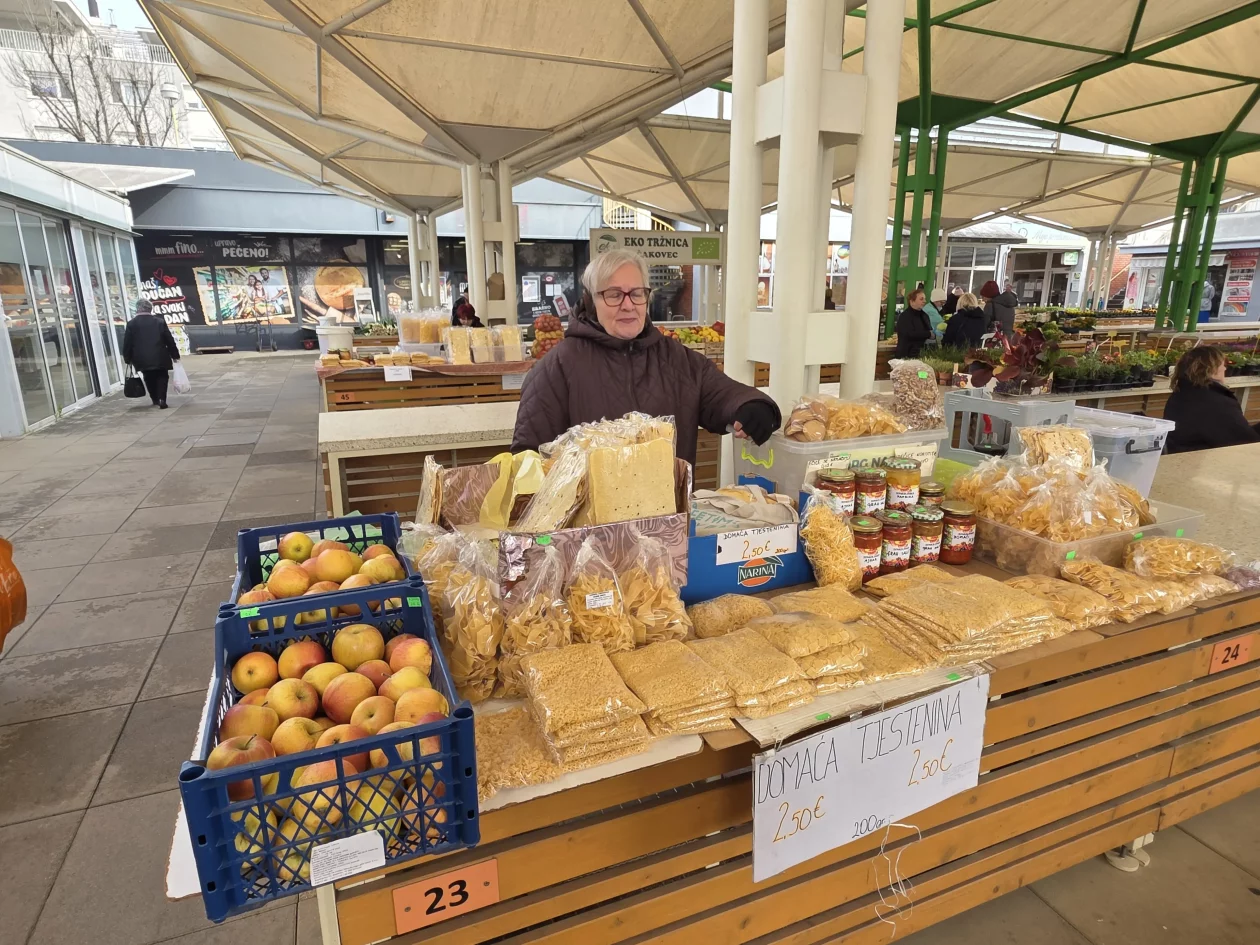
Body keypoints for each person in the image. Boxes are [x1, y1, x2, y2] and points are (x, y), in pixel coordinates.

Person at [512, 249, 781, 464]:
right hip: (589, 528)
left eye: (637, 293)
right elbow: (529, 459)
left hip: (667, 521)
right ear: (592, 303)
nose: (628, 304)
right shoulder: (557, 367)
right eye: (614, 294)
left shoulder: (677, 359)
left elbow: (720, 393)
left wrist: (753, 406)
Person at [1164, 346, 1260, 453]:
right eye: (1223, 365)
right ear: (1212, 369)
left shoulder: (1182, 393)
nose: (1225, 369)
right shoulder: (1216, 403)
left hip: (1183, 458)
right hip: (1206, 463)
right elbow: (1247, 444)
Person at [122, 298, 180, 408]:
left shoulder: (131, 324)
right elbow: (169, 339)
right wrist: (175, 355)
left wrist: (127, 358)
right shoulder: (159, 322)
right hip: (160, 355)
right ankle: (162, 399)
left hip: (141, 358)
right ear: (150, 309)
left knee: (148, 377)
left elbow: (127, 343)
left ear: (138, 309)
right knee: (162, 376)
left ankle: (155, 399)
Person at [893, 288, 933, 357]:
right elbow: (909, 333)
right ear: (912, 301)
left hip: (921, 354)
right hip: (906, 355)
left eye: (925, 299)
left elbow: (929, 330)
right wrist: (929, 334)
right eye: (921, 299)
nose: (924, 301)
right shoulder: (905, 316)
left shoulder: (924, 315)